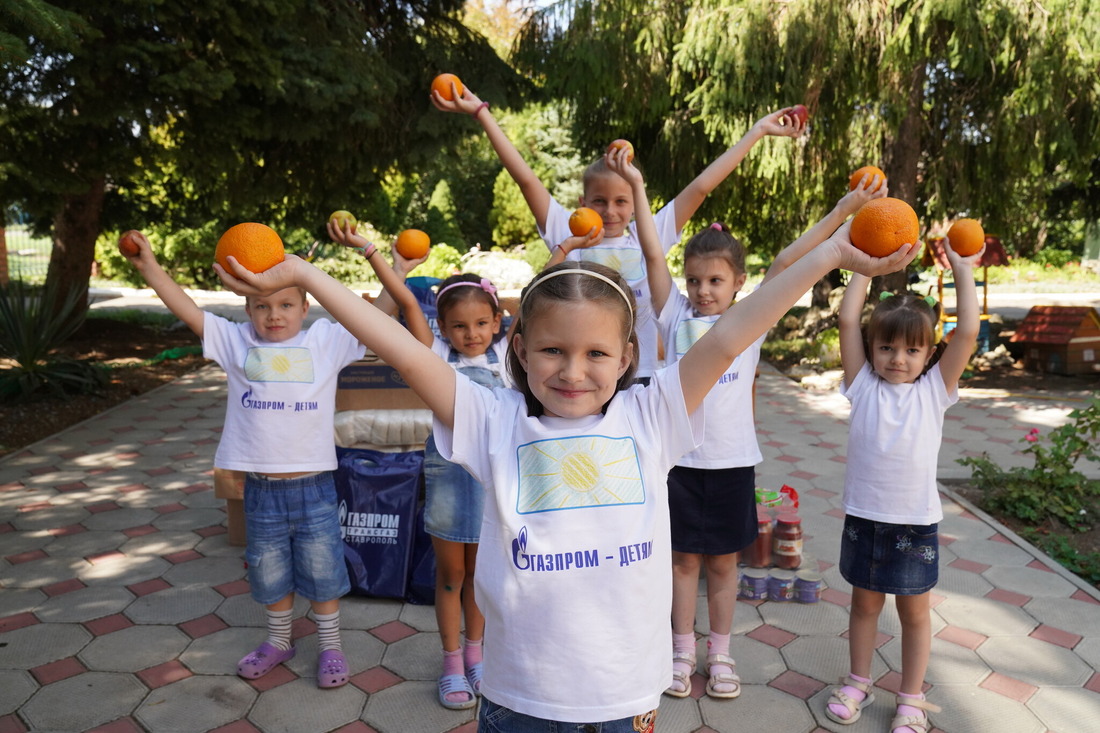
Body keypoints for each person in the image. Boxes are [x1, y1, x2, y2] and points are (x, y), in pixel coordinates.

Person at [216, 196, 916, 730]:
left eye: (595, 354)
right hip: (521, 699)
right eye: (553, 350)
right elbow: (400, 348)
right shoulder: (490, 420)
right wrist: (304, 272)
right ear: (519, 350)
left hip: (627, 698)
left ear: (628, 358)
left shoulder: (654, 415)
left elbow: (735, 333)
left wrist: (829, 259)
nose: (573, 370)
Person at [640, 177, 889, 699]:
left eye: (714, 280)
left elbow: (791, 260)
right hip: (677, 464)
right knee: (683, 562)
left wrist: (846, 208)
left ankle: (721, 653)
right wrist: (639, 187)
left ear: (737, 283)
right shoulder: (674, 314)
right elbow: (650, 249)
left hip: (731, 464)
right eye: (695, 280)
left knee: (725, 565)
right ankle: (681, 651)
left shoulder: (747, 319)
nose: (703, 290)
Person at [432, 80, 805, 384]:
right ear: (582, 200)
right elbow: (526, 179)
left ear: (636, 200)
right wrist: (482, 114)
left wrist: (757, 133)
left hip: (637, 375)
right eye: (599, 201)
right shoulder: (569, 231)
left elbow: (701, 187)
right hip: (583, 378)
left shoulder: (648, 234)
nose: (611, 211)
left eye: (622, 201)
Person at [120, 229, 366, 688]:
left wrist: (394, 265)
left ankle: (331, 645)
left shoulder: (326, 342)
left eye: (286, 304)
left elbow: (377, 317)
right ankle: (279, 640)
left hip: (314, 486)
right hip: (261, 489)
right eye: (262, 306)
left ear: (305, 307)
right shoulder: (236, 342)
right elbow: (189, 311)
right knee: (270, 571)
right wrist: (149, 268)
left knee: (323, 570)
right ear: (247, 307)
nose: (274, 315)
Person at [329, 222, 511, 711]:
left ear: (498, 321)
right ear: (443, 328)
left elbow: (544, 291)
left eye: (480, 323)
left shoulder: (510, 358)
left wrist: (565, 249)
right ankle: (452, 662)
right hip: (451, 479)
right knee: (450, 577)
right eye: (458, 325)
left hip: (496, 483)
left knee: (482, 576)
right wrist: (371, 251)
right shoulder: (434, 357)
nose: (470, 334)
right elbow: (407, 302)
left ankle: (477, 655)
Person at [826, 233, 984, 732]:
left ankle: (911, 698)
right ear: (871, 349)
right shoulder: (862, 385)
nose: (898, 358)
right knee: (864, 605)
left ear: (928, 353)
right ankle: (857, 681)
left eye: (912, 349)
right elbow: (848, 318)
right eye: (887, 347)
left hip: (914, 525)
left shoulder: (935, 391)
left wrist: (962, 267)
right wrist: (863, 266)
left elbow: (968, 333)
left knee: (914, 615)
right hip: (865, 519)